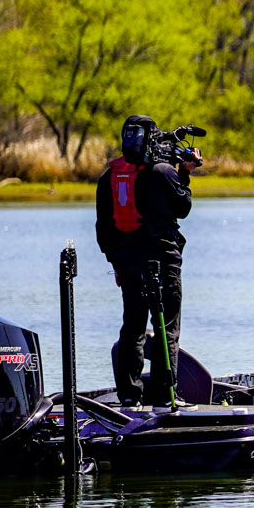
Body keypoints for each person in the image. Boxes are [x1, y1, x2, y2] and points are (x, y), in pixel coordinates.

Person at [95, 114, 198, 406]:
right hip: (163, 259)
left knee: (133, 326)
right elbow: (183, 208)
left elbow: (103, 228)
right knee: (167, 327)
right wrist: (184, 173)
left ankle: (130, 397)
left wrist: (115, 262)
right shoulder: (164, 172)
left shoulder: (109, 177)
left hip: (127, 262)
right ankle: (166, 396)